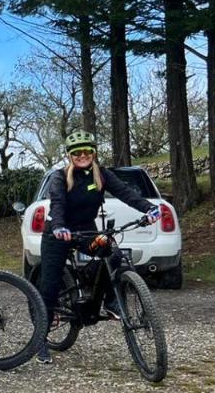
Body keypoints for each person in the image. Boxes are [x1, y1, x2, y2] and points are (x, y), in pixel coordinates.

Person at [34, 131, 162, 364]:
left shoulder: (101, 175)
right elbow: (58, 204)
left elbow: (126, 193)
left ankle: (111, 300)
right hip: (58, 232)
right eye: (77, 153)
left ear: (93, 153)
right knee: (50, 285)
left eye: (87, 152)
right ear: (70, 156)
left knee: (112, 252)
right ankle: (40, 340)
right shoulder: (59, 177)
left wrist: (147, 208)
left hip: (86, 230)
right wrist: (60, 227)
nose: (82, 156)